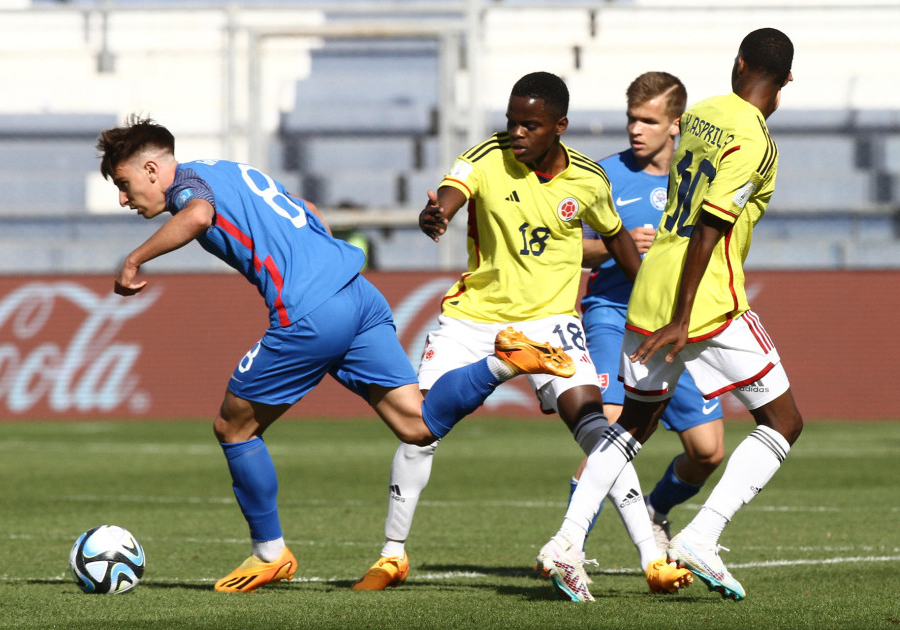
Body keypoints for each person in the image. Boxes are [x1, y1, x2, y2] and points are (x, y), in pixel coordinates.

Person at [97, 115, 576, 594]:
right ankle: (504, 361)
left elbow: (198, 215)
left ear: (155, 170)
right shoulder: (227, 169)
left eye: (124, 184)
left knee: (234, 426)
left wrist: (134, 259)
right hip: (359, 293)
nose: (123, 198)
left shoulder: (188, 186)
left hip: (310, 310)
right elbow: (304, 207)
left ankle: (270, 553)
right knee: (417, 424)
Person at [352, 71, 692, 602]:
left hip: (551, 322)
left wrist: (649, 299)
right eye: (511, 121)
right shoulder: (486, 156)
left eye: (530, 125)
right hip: (473, 320)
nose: (516, 133)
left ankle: (653, 560)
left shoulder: (586, 179)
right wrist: (437, 213)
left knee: (597, 430)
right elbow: (451, 193)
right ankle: (392, 554)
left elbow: (618, 240)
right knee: (419, 429)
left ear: (559, 126)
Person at [538, 28, 802, 602]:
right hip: (704, 297)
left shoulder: (703, 113)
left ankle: (566, 541)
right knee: (783, 422)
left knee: (632, 425)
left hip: (649, 282)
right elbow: (712, 224)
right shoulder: (757, 142)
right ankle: (702, 536)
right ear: (783, 85)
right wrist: (685, 315)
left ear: (738, 65)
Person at [575, 71, 725, 555]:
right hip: (614, 314)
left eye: (648, 121)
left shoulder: (697, 175)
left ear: (675, 124)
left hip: (675, 323)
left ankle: (658, 512)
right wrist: (611, 248)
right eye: (631, 119)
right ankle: (568, 544)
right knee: (611, 425)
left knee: (707, 451)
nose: (635, 130)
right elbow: (566, 247)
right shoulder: (603, 175)